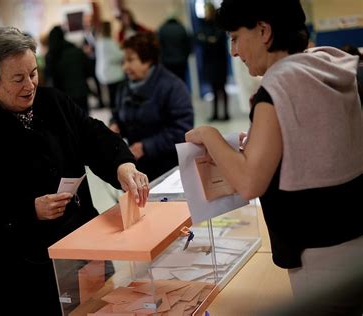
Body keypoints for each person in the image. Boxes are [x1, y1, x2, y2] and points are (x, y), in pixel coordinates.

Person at [0, 26, 150, 316]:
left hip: (82, 242)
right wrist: (28, 210)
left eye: (32, 73)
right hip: (22, 272)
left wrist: (122, 165)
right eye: (17, 79)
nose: (29, 85)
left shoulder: (53, 101)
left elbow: (92, 135)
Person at [185, 0, 363, 314]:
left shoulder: (278, 85)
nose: (234, 52)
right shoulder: (325, 62)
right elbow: (312, 137)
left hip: (318, 251)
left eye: (236, 37)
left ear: (264, 31)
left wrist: (210, 137)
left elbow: (250, 182)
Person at [110, 32, 194, 181]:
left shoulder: (173, 87)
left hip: (169, 170)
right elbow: (118, 113)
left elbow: (182, 130)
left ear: (147, 60)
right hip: (138, 169)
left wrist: (145, 147)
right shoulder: (124, 87)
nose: (125, 67)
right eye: (124, 61)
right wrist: (115, 125)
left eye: (130, 60)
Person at [44, 25, 92, 114]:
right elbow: (89, 71)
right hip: (81, 91)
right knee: (85, 122)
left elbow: (48, 77)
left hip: (63, 97)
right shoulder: (77, 50)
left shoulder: (51, 56)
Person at [195, 3, 229, 121]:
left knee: (222, 88)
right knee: (213, 89)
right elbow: (198, 38)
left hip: (219, 61)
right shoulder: (203, 24)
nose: (206, 14)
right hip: (209, 61)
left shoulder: (219, 24)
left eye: (207, 11)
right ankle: (215, 114)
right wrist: (209, 39)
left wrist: (207, 39)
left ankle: (225, 114)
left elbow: (217, 39)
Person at [95, 21, 125, 109]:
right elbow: (118, 56)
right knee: (115, 97)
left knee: (112, 96)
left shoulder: (99, 42)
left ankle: (113, 112)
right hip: (112, 74)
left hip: (105, 72)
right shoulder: (108, 42)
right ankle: (115, 114)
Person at [157, 15, 191, 83]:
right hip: (181, 61)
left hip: (167, 62)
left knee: (168, 82)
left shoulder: (162, 29)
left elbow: (159, 46)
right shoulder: (182, 28)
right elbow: (188, 45)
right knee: (181, 81)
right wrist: (185, 57)